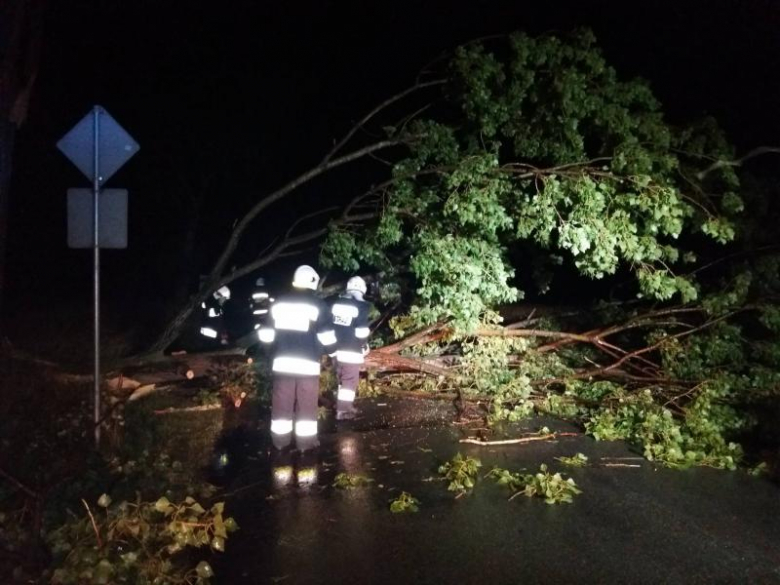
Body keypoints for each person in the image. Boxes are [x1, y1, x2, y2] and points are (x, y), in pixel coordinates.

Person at [258, 265, 336, 452]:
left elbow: (266, 334)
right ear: (313, 283)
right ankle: (305, 444)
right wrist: (333, 353)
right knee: (306, 404)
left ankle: (280, 442)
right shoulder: (317, 305)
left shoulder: (278, 303)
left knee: (281, 402)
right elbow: (327, 336)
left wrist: (271, 352)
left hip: (282, 362)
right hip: (307, 364)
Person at [330, 276, 372, 420]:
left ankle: (341, 405)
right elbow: (361, 331)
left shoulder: (336, 303)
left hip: (335, 348)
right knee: (349, 381)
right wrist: (364, 345)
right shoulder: (361, 306)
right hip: (351, 350)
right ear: (362, 289)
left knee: (341, 379)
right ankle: (343, 410)